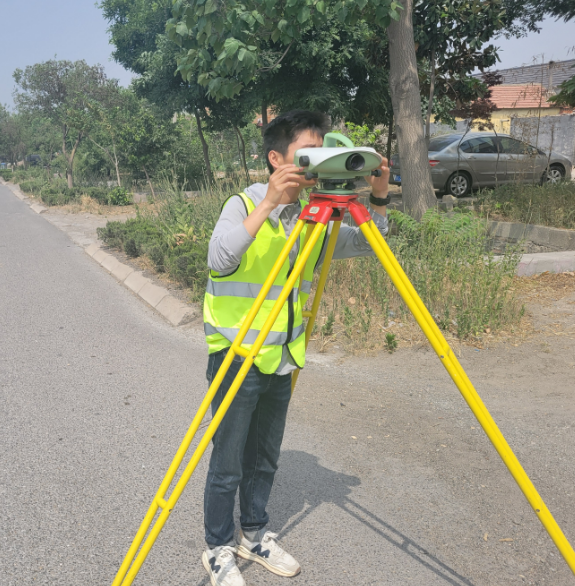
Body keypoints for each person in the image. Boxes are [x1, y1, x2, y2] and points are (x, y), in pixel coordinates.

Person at [201, 110, 391, 586]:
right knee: (228, 462)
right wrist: (268, 202)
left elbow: (373, 243)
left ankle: (256, 534)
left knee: (265, 458)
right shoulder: (243, 204)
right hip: (236, 355)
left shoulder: (313, 219)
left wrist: (379, 195)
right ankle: (219, 548)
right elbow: (218, 259)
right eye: (306, 157)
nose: (313, 170)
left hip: (281, 358)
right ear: (275, 159)